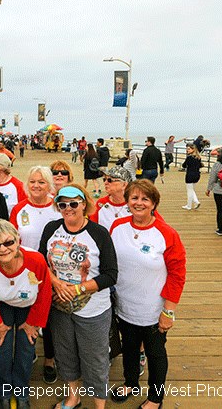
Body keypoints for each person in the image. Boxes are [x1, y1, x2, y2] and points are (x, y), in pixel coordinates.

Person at [109, 180, 186, 409]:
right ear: (127, 201)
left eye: (145, 199)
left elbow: (177, 275)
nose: (139, 203)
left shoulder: (166, 234)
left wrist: (168, 311)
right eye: (134, 198)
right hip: (124, 305)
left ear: (154, 203)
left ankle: (156, 397)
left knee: (155, 353)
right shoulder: (117, 227)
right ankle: (131, 382)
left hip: (154, 309)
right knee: (130, 348)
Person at [39, 185, 118, 409]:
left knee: (95, 358)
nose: (68, 208)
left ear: (84, 204)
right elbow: (40, 260)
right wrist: (55, 283)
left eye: (74, 203)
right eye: (62, 204)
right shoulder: (51, 228)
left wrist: (77, 289)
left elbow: (111, 275)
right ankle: (74, 396)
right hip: (59, 306)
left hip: (93, 308)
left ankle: (99, 404)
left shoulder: (98, 233)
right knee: (65, 354)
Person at [0, 220, 51, 409]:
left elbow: (44, 294)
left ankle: (21, 391)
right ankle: (3, 391)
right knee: (2, 347)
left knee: (26, 347)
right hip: (2, 304)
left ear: (18, 240)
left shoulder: (36, 260)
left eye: (8, 243)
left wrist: (34, 323)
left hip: (29, 305)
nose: (3, 249)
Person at [9, 166, 61, 384]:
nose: (37, 186)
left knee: (48, 318)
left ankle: (50, 359)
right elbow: (12, 239)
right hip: (25, 270)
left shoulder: (58, 208)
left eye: (41, 182)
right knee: (26, 314)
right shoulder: (19, 209)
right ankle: (28, 352)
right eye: (32, 181)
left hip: (53, 271)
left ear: (49, 185)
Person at [89, 166, 133, 231]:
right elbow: (92, 228)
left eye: (110, 180)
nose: (105, 183)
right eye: (104, 179)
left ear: (124, 185)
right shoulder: (101, 203)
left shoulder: (135, 204)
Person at [181, 143, 203, 210]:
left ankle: (189, 205)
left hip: (190, 175)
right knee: (191, 189)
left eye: (189, 149)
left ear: (193, 149)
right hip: (197, 175)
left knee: (189, 190)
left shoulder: (189, 157)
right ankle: (196, 201)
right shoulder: (198, 157)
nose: (187, 150)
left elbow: (184, 165)